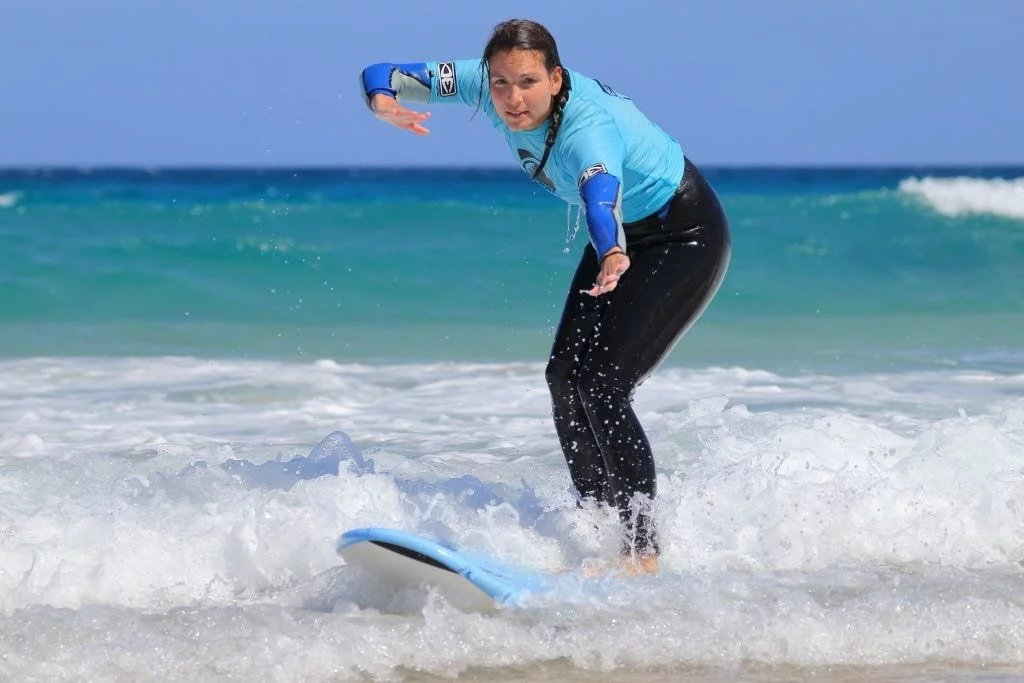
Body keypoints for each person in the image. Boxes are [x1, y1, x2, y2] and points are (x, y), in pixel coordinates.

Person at [359, 18, 731, 574]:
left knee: (603, 386)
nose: (512, 99)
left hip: (682, 234)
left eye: (528, 83)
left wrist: (611, 251)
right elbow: (380, 73)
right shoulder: (481, 83)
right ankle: (596, 528)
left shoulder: (588, 130)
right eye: (502, 84)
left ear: (556, 79)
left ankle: (642, 550)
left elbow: (600, 195)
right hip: (623, 236)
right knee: (564, 378)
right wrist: (382, 103)